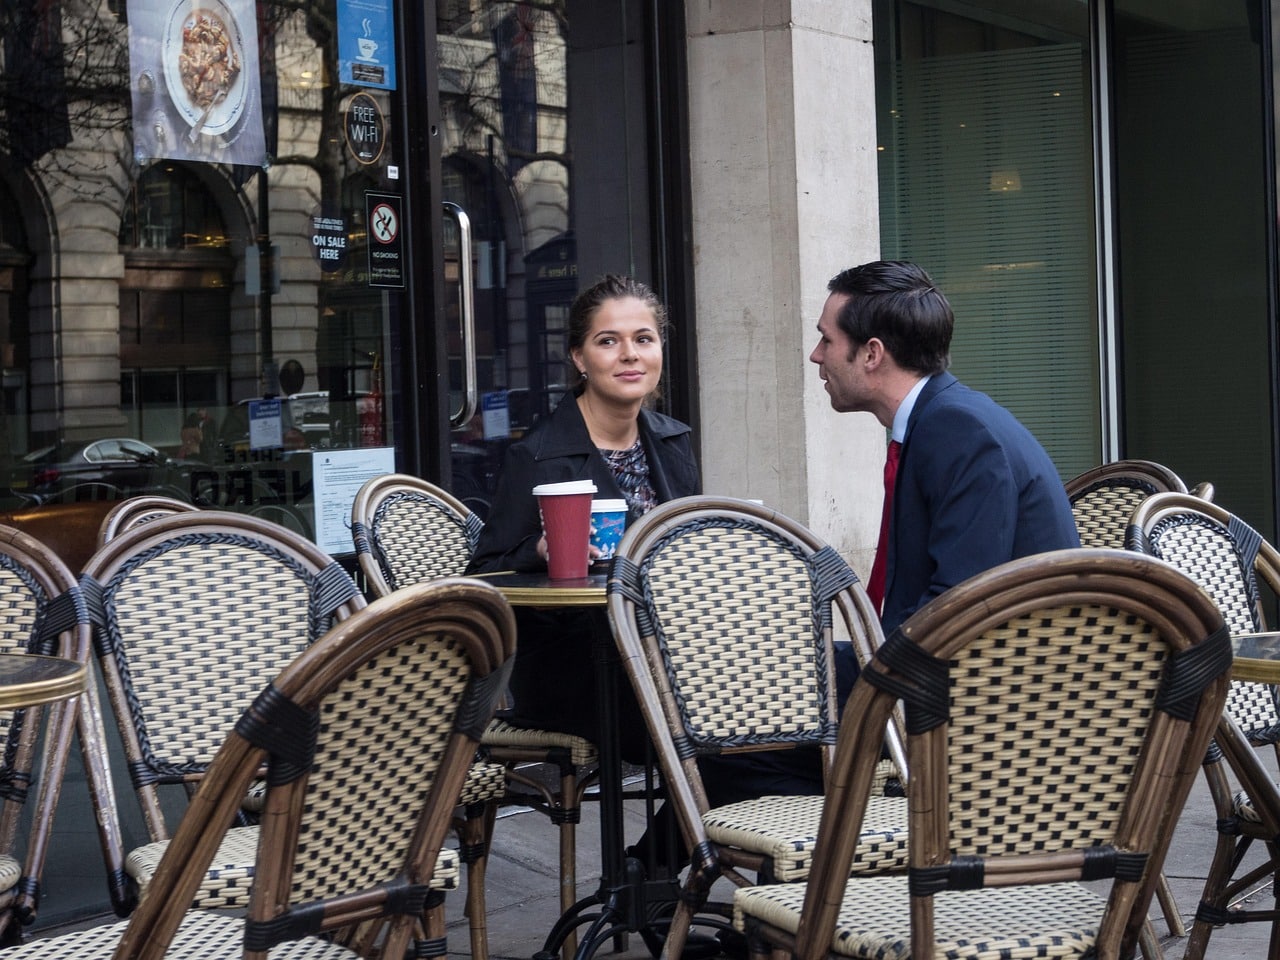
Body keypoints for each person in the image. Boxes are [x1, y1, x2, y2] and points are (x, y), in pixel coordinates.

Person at [470, 274, 822, 868]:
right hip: (578, 667)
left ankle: (653, 872)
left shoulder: (672, 441)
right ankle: (670, 882)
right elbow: (486, 575)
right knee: (741, 732)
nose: (630, 355)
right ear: (579, 357)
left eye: (644, 339)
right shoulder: (537, 454)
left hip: (676, 654)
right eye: (609, 341)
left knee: (804, 713)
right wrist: (541, 551)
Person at [811, 261, 1080, 695]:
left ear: (872, 354)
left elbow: (959, 606)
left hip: (988, 703)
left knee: (744, 735)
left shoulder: (959, 432)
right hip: (956, 673)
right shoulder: (942, 419)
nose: (816, 355)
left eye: (827, 339)